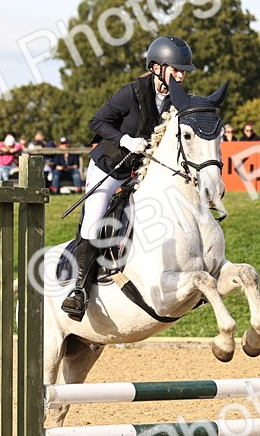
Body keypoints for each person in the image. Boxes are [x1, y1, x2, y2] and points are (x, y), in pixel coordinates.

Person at [61, 35, 195, 320]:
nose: (181, 75)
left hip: (142, 171)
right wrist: (125, 139)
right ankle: (79, 291)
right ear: (157, 67)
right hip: (110, 166)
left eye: (183, 71)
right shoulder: (132, 92)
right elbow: (96, 122)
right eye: (176, 69)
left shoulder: (177, 99)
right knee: (94, 218)